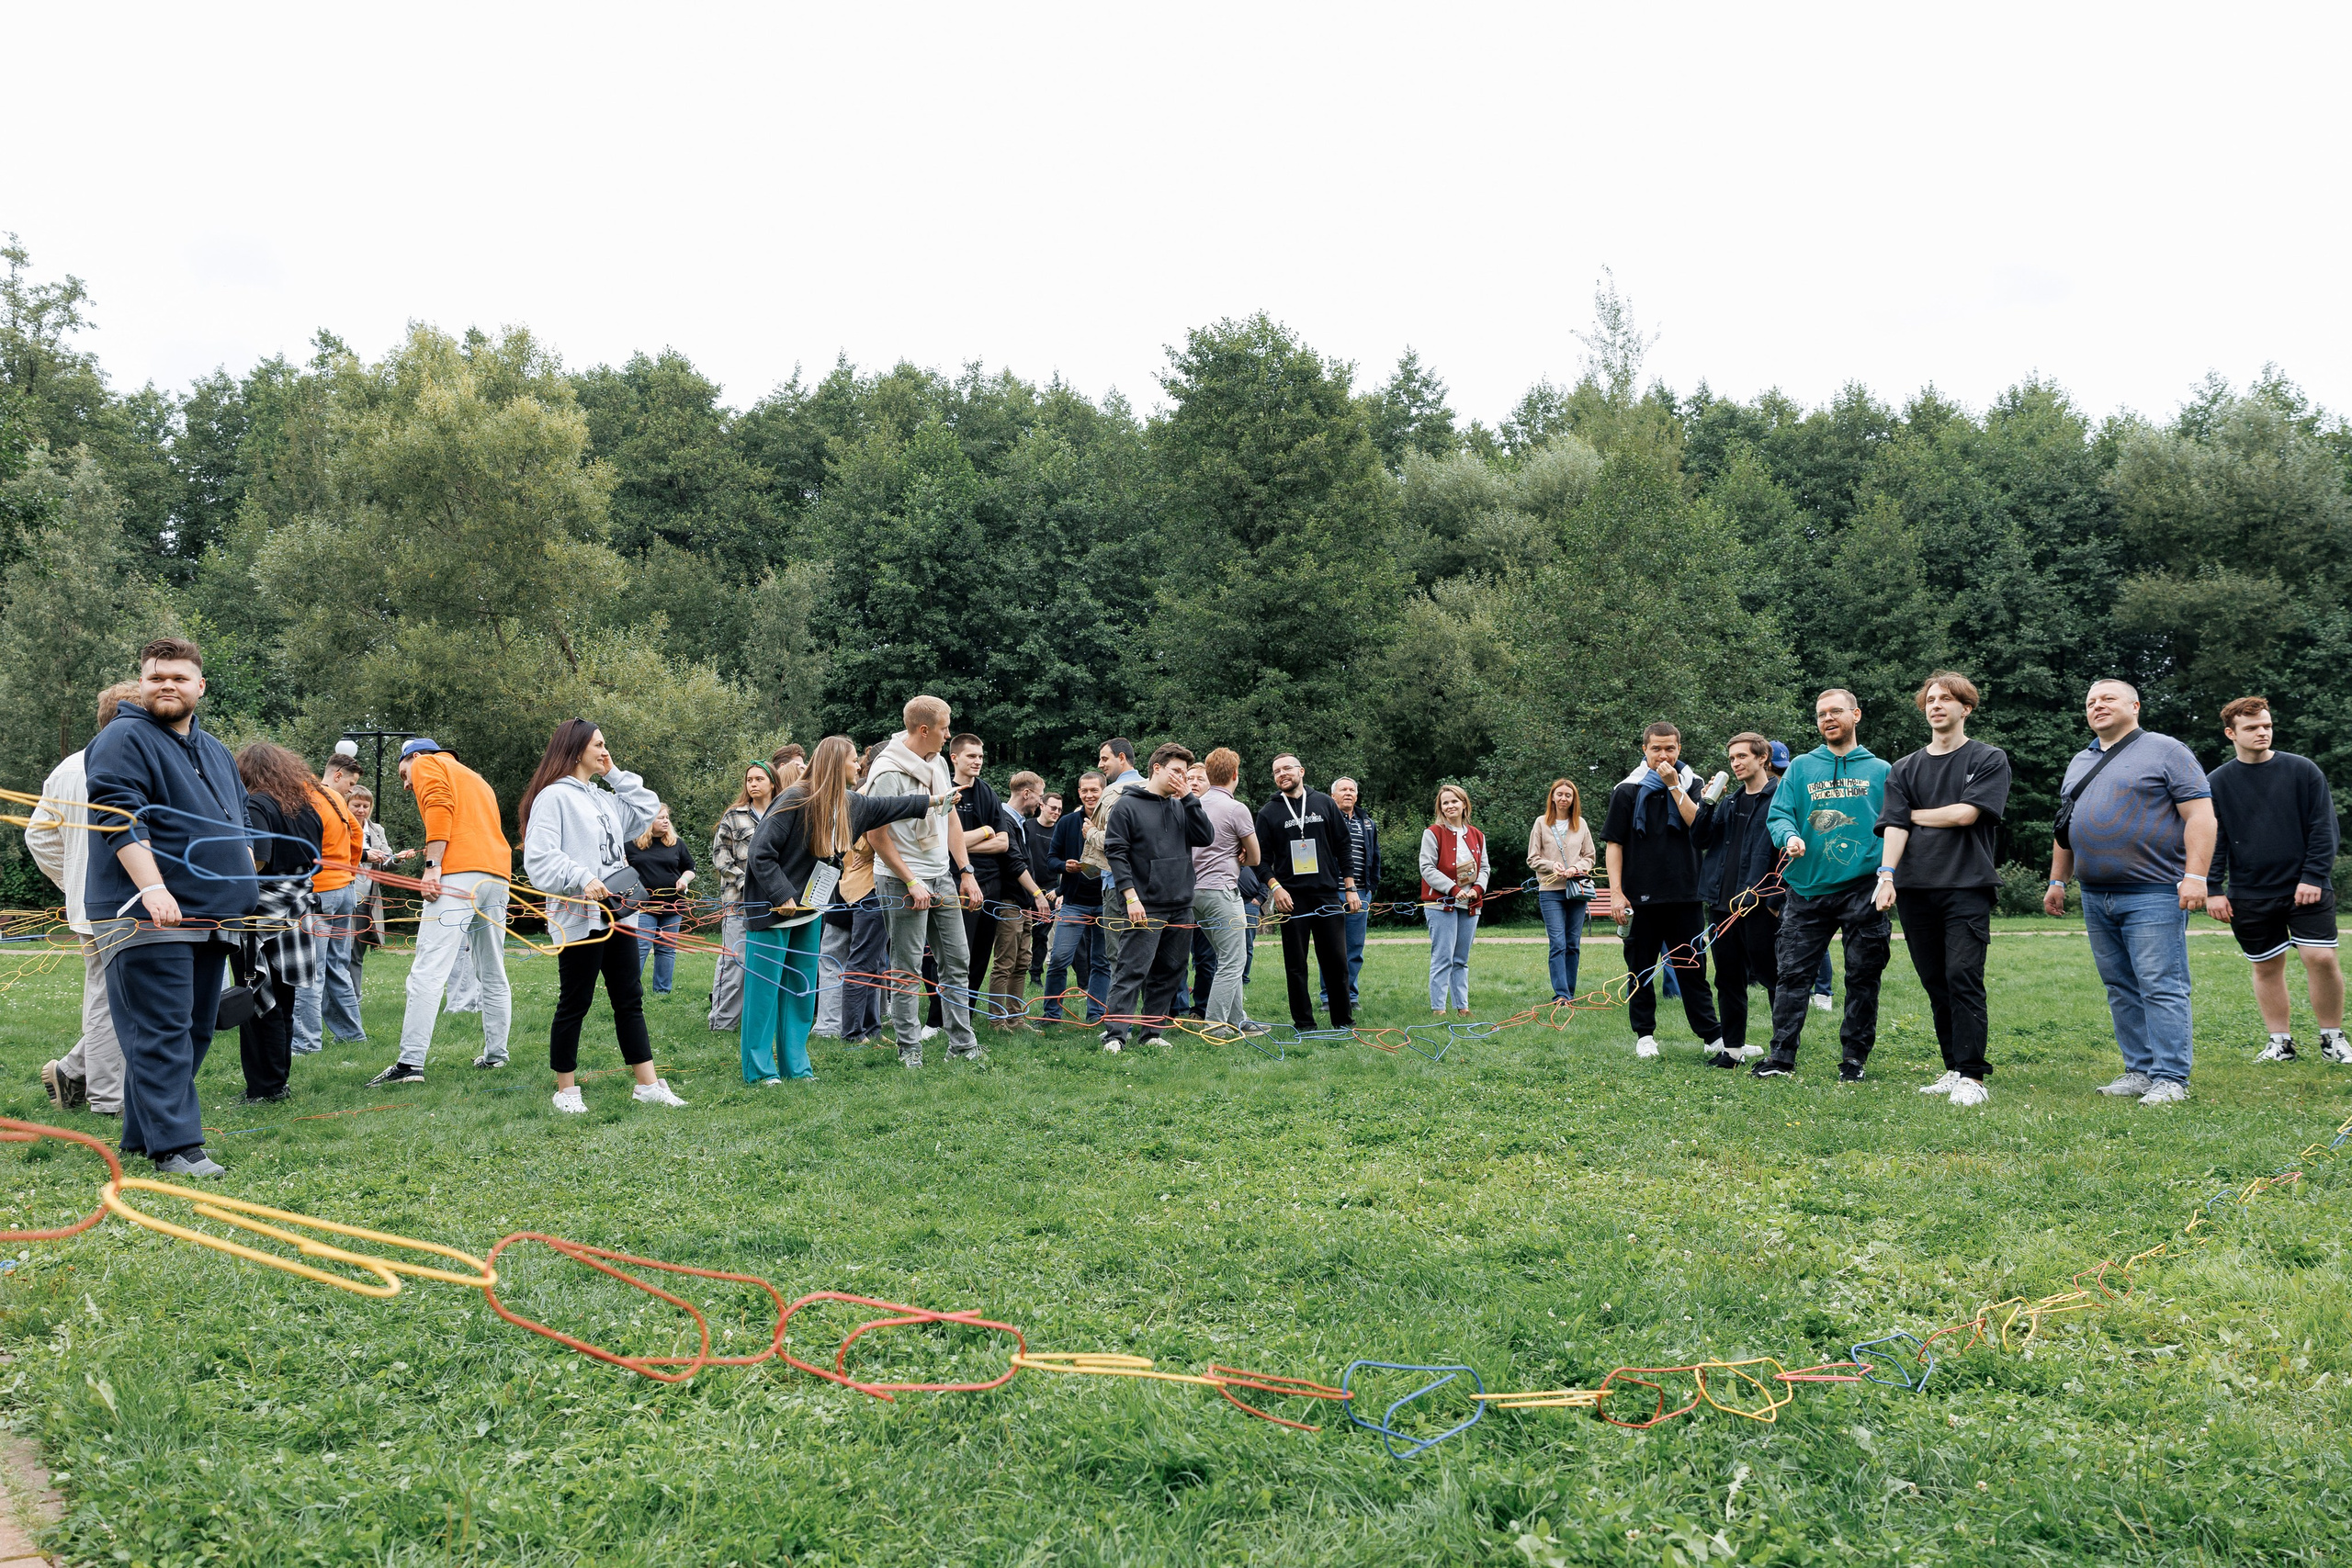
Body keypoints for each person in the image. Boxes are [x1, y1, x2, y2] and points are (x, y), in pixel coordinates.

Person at [83, 637, 255, 1178]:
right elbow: (118, 816)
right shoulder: (124, 737)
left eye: (179, 678)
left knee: (197, 1028)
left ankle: (141, 1134)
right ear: (142, 683)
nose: (167, 686)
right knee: (161, 1031)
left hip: (211, 915)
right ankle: (177, 1147)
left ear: (200, 686)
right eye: (156, 677)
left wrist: (246, 878)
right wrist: (153, 887)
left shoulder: (214, 749)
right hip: (144, 912)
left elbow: (239, 821)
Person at [2041, 681, 2216, 1103]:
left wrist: (2196, 877)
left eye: (2107, 699)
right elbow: (2065, 828)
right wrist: (2057, 881)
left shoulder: (2166, 750)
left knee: (2161, 984)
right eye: (2090, 702)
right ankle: (2139, 1071)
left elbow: (2201, 816)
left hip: (2153, 890)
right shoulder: (2080, 761)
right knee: (2120, 985)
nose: (2097, 706)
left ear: (2135, 706)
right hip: (2095, 894)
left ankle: (2172, 1078)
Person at [740, 735, 940, 1083]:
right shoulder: (795, 798)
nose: (858, 766)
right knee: (764, 995)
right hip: (774, 912)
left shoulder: (849, 803)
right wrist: (781, 895)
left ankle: (796, 1067)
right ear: (835, 763)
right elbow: (760, 852)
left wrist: (934, 800)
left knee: (801, 991)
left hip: (810, 910)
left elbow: (889, 806)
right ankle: (760, 1072)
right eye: (852, 761)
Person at [519, 720, 687, 1112]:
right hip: (579, 916)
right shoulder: (553, 797)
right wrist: (582, 877)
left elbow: (648, 806)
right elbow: (540, 857)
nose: (604, 750)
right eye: (598, 745)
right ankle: (566, 1091)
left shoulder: (604, 797)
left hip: (620, 915)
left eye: (605, 745)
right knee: (574, 1001)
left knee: (630, 998)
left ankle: (647, 1085)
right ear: (576, 749)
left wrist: (612, 773)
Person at [1874, 674, 2013, 1106]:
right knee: (1935, 979)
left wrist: (1911, 813)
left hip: (1966, 885)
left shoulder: (1988, 758)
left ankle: (1974, 1076)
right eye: (1931, 700)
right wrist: (1886, 875)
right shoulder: (1904, 767)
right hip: (1915, 888)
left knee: (1962, 975)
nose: (1936, 706)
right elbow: (1893, 826)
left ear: (1965, 708)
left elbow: (1966, 815)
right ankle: (1953, 1066)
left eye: (1946, 700)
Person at [1754, 691, 1892, 1082]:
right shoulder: (1800, 768)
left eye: (1835, 711)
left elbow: (1895, 826)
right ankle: (1781, 1058)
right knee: (1792, 974)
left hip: (1862, 888)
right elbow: (1779, 814)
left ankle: (1854, 1060)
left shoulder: (1881, 770)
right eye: (1821, 714)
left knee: (1862, 976)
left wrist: (1887, 875)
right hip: (1807, 888)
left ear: (1856, 715)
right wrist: (1788, 838)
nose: (1827, 718)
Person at [2204, 696, 2346, 1066]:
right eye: (2251, 728)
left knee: (2321, 958)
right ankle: (2280, 1043)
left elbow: (2323, 828)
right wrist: (2213, 888)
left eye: (2266, 725)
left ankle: (2333, 1039)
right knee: (2266, 965)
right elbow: (2213, 839)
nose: (2262, 732)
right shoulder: (2216, 781)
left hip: (2305, 888)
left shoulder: (2302, 770)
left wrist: (2314, 875)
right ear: (2231, 733)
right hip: (2249, 892)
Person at [30, 680, 141, 1118]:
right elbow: (39, 837)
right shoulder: (86, 768)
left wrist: (72, 882)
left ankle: (72, 1069)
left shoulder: (69, 767)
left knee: (126, 999)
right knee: (108, 1001)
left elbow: (40, 837)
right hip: (110, 907)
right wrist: (77, 881)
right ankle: (108, 1101)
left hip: (114, 904)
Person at [372, 739, 513, 1085]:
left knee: (427, 969)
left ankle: (410, 1065)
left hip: (457, 875)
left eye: (403, 773)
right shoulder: (475, 778)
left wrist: (432, 865)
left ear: (415, 756)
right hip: (496, 875)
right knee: (492, 970)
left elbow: (438, 805)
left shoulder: (426, 764)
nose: (407, 783)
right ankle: (496, 1057)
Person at [866, 696, 987, 1067]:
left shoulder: (935, 763)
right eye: (944, 728)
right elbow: (875, 834)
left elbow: (949, 818)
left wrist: (964, 871)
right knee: (907, 968)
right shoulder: (887, 771)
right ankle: (909, 1048)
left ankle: (962, 1046)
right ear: (924, 730)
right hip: (901, 880)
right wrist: (912, 880)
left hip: (942, 876)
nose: (948, 735)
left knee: (957, 960)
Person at [1600, 723, 1727, 1060]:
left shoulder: (1695, 785)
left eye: (1670, 748)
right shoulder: (1627, 790)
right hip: (1639, 896)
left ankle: (1712, 1036)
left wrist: (1675, 787)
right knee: (1640, 969)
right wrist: (1616, 892)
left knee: (1693, 968)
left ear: (1679, 749)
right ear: (1645, 750)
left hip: (1686, 892)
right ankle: (1645, 1036)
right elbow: (1614, 844)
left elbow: (1699, 828)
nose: (1663, 755)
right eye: (1656, 748)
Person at [1102, 743, 1215, 1051]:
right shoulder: (1127, 805)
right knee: (1132, 969)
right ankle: (1115, 1035)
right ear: (1157, 769)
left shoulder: (1182, 804)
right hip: (1145, 904)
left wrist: (1189, 799)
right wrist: (1131, 897)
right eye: (1177, 771)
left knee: (1171, 971)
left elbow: (1206, 837)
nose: (1183, 779)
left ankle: (1151, 1033)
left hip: (1181, 903)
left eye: (1187, 773)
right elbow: (1116, 851)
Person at [232, 741, 326, 1104]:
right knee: (283, 999)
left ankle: (265, 1088)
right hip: (298, 911)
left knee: (258, 1001)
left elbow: (257, 862)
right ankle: (277, 1080)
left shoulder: (256, 804)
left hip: (265, 914)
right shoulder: (305, 809)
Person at [945, 736, 1050, 1031]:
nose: (978, 761)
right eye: (971, 756)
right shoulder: (944, 790)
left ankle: (987, 1016)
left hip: (992, 891)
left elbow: (1003, 845)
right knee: (958, 957)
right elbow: (941, 841)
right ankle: (945, 1019)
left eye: (981, 756)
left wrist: (963, 842)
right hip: (958, 886)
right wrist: (984, 833)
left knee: (987, 959)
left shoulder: (988, 794)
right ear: (954, 758)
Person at [1691, 736, 1781, 1066]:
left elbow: (1787, 853)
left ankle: (1782, 1051)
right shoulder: (1728, 803)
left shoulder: (1780, 800)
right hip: (1721, 905)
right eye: (1732, 758)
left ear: (1763, 758)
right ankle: (1732, 1050)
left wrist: (1775, 901)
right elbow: (1699, 839)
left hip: (1759, 904)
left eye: (1742, 756)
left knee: (1772, 977)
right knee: (1728, 978)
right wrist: (1708, 802)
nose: (1736, 763)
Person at [1255, 754, 1360, 1032]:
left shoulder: (1324, 803)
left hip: (1326, 894)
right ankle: (1304, 1024)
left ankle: (1343, 1021)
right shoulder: (1269, 812)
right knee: (1296, 966)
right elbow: (1260, 861)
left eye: (1287, 768)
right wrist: (1275, 888)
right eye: (1277, 771)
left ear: (1301, 770)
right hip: (1291, 899)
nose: (1282, 774)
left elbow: (1343, 847)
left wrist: (1349, 888)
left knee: (1337, 962)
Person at [295, 750, 366, 1055]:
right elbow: (358, 834)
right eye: (351, 784)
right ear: (337, 775)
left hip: (322, 890)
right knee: (338, 966)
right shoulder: (336, 800)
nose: (351, 791)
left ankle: (306, 1045)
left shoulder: (308, 795)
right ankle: (351, 1035)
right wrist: (348, 868)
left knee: (312, 971)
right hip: (345, 890)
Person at [1191, 747, 1262, 1037]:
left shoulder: (1192, 806)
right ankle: (1215, 1027)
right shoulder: (1236, 808)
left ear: (1208, 774)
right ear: (1235, 774)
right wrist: (1241, 851)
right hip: (1221, 892)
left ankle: (1238, 1020)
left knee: (1225, 957)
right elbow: (1256, 858)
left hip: (1193, 892)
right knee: (1234, 960)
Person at [707, 762, 782, 1032]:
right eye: (749, 779)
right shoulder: (733, 816)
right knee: (735, 962)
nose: (753, 784)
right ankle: (723, 1022)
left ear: (772, 783)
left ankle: (762, 1021)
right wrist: (746, 882)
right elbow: (721, 857)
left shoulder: (783, 813)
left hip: (775, 903)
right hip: (739, 901)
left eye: (759, 779)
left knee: (767, 963)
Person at [837, 743, 897, 1046]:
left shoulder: (874, 791)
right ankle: (852, 1032)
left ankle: (871, 1028)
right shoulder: (864, 794)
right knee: (862, 960)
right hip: (867, 887)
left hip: (877, 885)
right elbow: (861, 844)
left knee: (876, 962)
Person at [1419, 784, 1489, 1015]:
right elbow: (1427, 868)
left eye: (1454, 801)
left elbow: (1485, 868)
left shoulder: (1477, 835)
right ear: (1440, 808)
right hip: (1441, 904)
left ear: (1464, 804)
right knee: (1443, 958)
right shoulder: (1433, 832)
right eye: (1445, 803)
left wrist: (1477, 889)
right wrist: (1452, 888)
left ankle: (1462, 1006)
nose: (1450, 806)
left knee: (1461, 959)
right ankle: (1438, 1007)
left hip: (1470, 904)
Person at [1044, 772, 1108, 1024]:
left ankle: (1097, 1015)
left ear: (1104, 791)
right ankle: (1051, 1015)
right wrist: (1064, 866)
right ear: (1079, 792)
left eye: (1094, 790)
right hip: (1074, 902)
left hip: (1106, 901)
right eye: (1085, 791)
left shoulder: (1114, 819)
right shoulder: (1067, 822)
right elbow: (1050, 859)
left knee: (1102, 962)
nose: (1089, 795)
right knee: (1059, 958)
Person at [1528, 777, 1597, 1004]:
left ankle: (1570, 991)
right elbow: (1532, 858)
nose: (1564, 798)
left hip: (1576, 889)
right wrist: (1552, 866)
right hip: (1550, 890)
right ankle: (1561, 994)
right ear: (1553, 797)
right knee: (1557, 942)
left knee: (1572, 943)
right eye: (1560, 794)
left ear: (1573, 799)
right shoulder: (1541, 823)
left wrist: (1576, 868)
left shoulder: (1581, 824)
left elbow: (1590, 857)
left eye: (1568, 795)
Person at [1082, 738, 1148, 974]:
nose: (1100, 764)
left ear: (1122, 758)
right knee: (1150, 952)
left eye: (1104, 758)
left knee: (1118, 955)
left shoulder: (1113, 793)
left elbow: (1114, 843)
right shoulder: (1154, 787)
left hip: (1117, 885)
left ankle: (1121, 1011)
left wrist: (1090, 833)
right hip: (1151, 884)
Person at [624, 803, 697, 999]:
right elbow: (622, 872)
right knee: (640, 948)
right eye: (661, 818)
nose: (666, 821)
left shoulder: (676, 843)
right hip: (643, 907)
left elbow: (690, 868)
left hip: (673, 905)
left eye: (667, 817)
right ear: (648, 821)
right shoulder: (630, 845)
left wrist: (684, 879)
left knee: (666, 950)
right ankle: (630, 991)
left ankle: (662, 992)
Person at [1328, 777, 1383, 1012]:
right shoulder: (1325, 821)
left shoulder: (1367, 823)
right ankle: (1328, 998)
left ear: (1357, 796)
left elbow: (1375, 856)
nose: (1348, 793)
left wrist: (1370, 888)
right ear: (1333, 796)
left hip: (1360, 893)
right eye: (1343, 789)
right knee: (1330, 948)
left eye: (1352, 790)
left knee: (1354, 949)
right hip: (1331, 893)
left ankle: (1350, 996)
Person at [1027, 788, 1063, 988]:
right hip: (1027, 887)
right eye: (1053, 808)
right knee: (1022, 935)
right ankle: (1016, 970)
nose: (1056, 812)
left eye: (1059, 809)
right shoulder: (1027, 826)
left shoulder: (1061, 831)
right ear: (1042, 805)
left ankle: (1035, 975)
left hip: (1050, 891)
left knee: (1041, 936)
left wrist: (1060, 891)